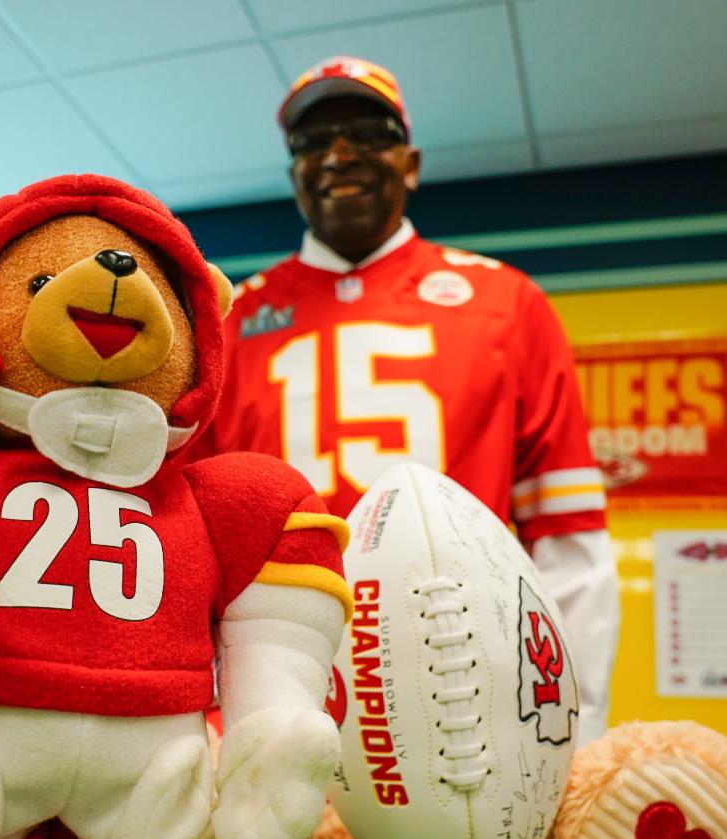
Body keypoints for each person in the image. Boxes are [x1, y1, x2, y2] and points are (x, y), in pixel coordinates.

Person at [202, 56, 619, 746]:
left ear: (412, 162)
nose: (338, 155)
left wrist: (575, 729)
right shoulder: (228, 322)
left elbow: (569, 540)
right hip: (279, 683)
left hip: (469, 674)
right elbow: (200, 546)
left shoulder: (506, 303)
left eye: (367, 132)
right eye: (313, 142)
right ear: (293, 176)